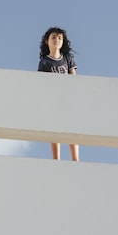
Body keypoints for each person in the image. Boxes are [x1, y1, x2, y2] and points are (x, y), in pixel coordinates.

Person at [37, 26, 79, 161]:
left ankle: (75, 159)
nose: (57, 40)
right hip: (52, 101)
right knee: (55, 128)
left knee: (71, 128)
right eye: (53, 37)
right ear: (47, 41)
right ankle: (56, 159)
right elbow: (41, 83)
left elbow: (74, 80)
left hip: (67, 99)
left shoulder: (68, 59)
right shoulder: (44, 62)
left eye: (60, 38)